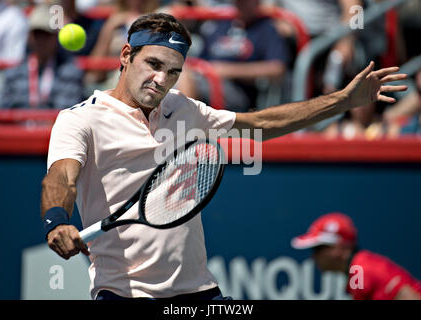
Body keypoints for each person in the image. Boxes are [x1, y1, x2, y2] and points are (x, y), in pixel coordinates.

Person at [40, 12, 407, 300]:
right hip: (124, 293)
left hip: (200, 292)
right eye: (153, 64)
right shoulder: (80, 120)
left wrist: (342, 101)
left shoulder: (184, 109)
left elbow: (261, 124)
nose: (161, 80)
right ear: (125, 56)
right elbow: (61, 177)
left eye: (173, 72)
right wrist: (57, 219)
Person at [177, 0, 289, 112]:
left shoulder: (266, 28)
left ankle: (182, 127)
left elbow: (277, 69)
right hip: (207, 80)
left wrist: (228, 70)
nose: (241, 4)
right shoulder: (221, 25)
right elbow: (201, 61)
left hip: (239, 92)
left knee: (185, 78)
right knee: (178, 75)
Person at [291, 212, 421, 300]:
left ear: (340, 247)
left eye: (318, 248)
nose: (314, 257)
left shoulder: (361, 269)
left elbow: (409, 295)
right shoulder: (357, 270)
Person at [0, 4, 84, 109]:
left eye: (47, 35)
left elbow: (68, 111)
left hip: (54, 125)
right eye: (37, 34)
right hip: (24, 124)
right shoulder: (14, 73)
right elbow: (4, 111)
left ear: (55, 37)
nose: (41, 41)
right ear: (30, 37)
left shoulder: (70, 73)